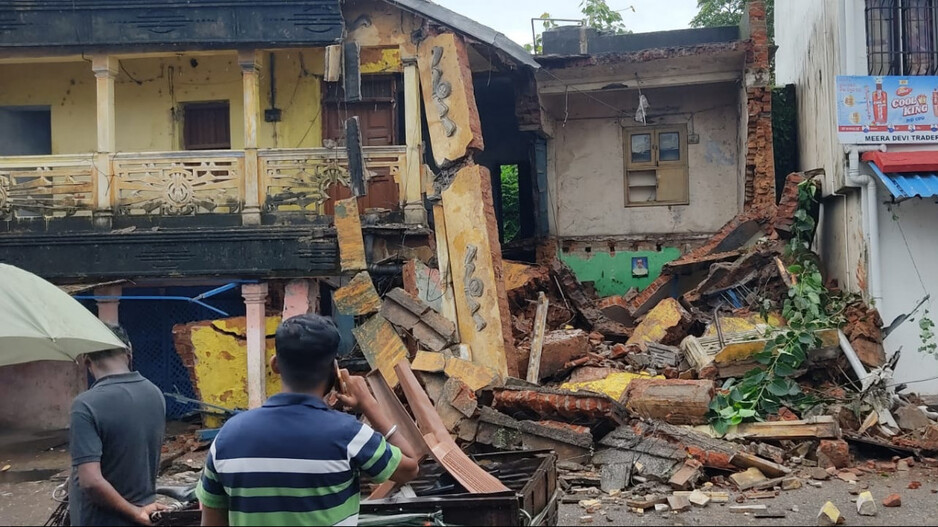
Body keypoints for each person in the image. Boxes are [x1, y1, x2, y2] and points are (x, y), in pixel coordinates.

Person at [197, 314, 420, 527]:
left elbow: (212, 521)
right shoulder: (349, 434)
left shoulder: (228, 437)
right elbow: (410, 467)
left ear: (275, 365)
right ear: (335, 372)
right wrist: (369, 404)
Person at [69, 325, 167, 526]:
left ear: (87, 360)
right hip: (147, 513)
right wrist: (139, 512)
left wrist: (133, 512)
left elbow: (90, 481)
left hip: (102, 520)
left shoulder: (86, 404)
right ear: (129, 351)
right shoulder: (154, 393)